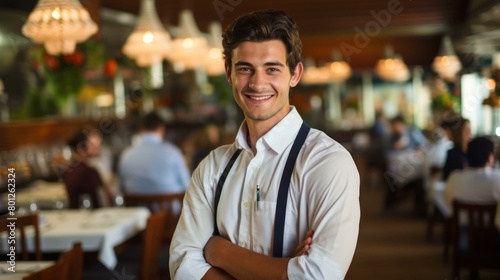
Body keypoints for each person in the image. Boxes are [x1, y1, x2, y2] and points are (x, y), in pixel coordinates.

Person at [169, 10, 360, 280]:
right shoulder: (212, 167)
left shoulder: (327, 162)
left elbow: (318, 275)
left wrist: (219, 251)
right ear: (229, 74)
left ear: (295, 74)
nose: (258, 83)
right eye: (245, 68)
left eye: (272, 69)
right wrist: (281, 271)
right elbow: (182, 265)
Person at [118, 111, 191, 194]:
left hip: (136, 206)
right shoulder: (172, 152)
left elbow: (122, 188)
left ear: (140, 129)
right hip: (169, 206)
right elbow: (187, 186)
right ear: (161, 129)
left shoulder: (126, 155)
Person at [444, 136, 500, 241]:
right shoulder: (497, 178)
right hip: (493, 239)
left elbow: (448, 201)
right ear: (490, 157)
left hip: (464, 238)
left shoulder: (454, 178)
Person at [384, 115, 428, 214]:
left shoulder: (412, 133)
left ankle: (419, 207)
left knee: (419, 177)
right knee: (391, 177)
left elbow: (424, 145)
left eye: (396, 125)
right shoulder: (391, 137)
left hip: (414, 163)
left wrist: (418, 149)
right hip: (400, 165)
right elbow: (387, 154)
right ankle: (393, 200)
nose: (394, 128)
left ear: (401, 124)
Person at [61, 129, 114, 209]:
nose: (98, 146)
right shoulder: (88, 172)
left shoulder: (69, 169)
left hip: (75, 216)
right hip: (92, 217)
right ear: (81, 148)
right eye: (93, 144)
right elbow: (104, 201)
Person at [441, 116, 471, 181]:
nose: (470, 134)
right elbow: (448, 178)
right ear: (459, 133)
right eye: (466, 131)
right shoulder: (453, 154)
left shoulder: (473, 152)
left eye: (470, 130)